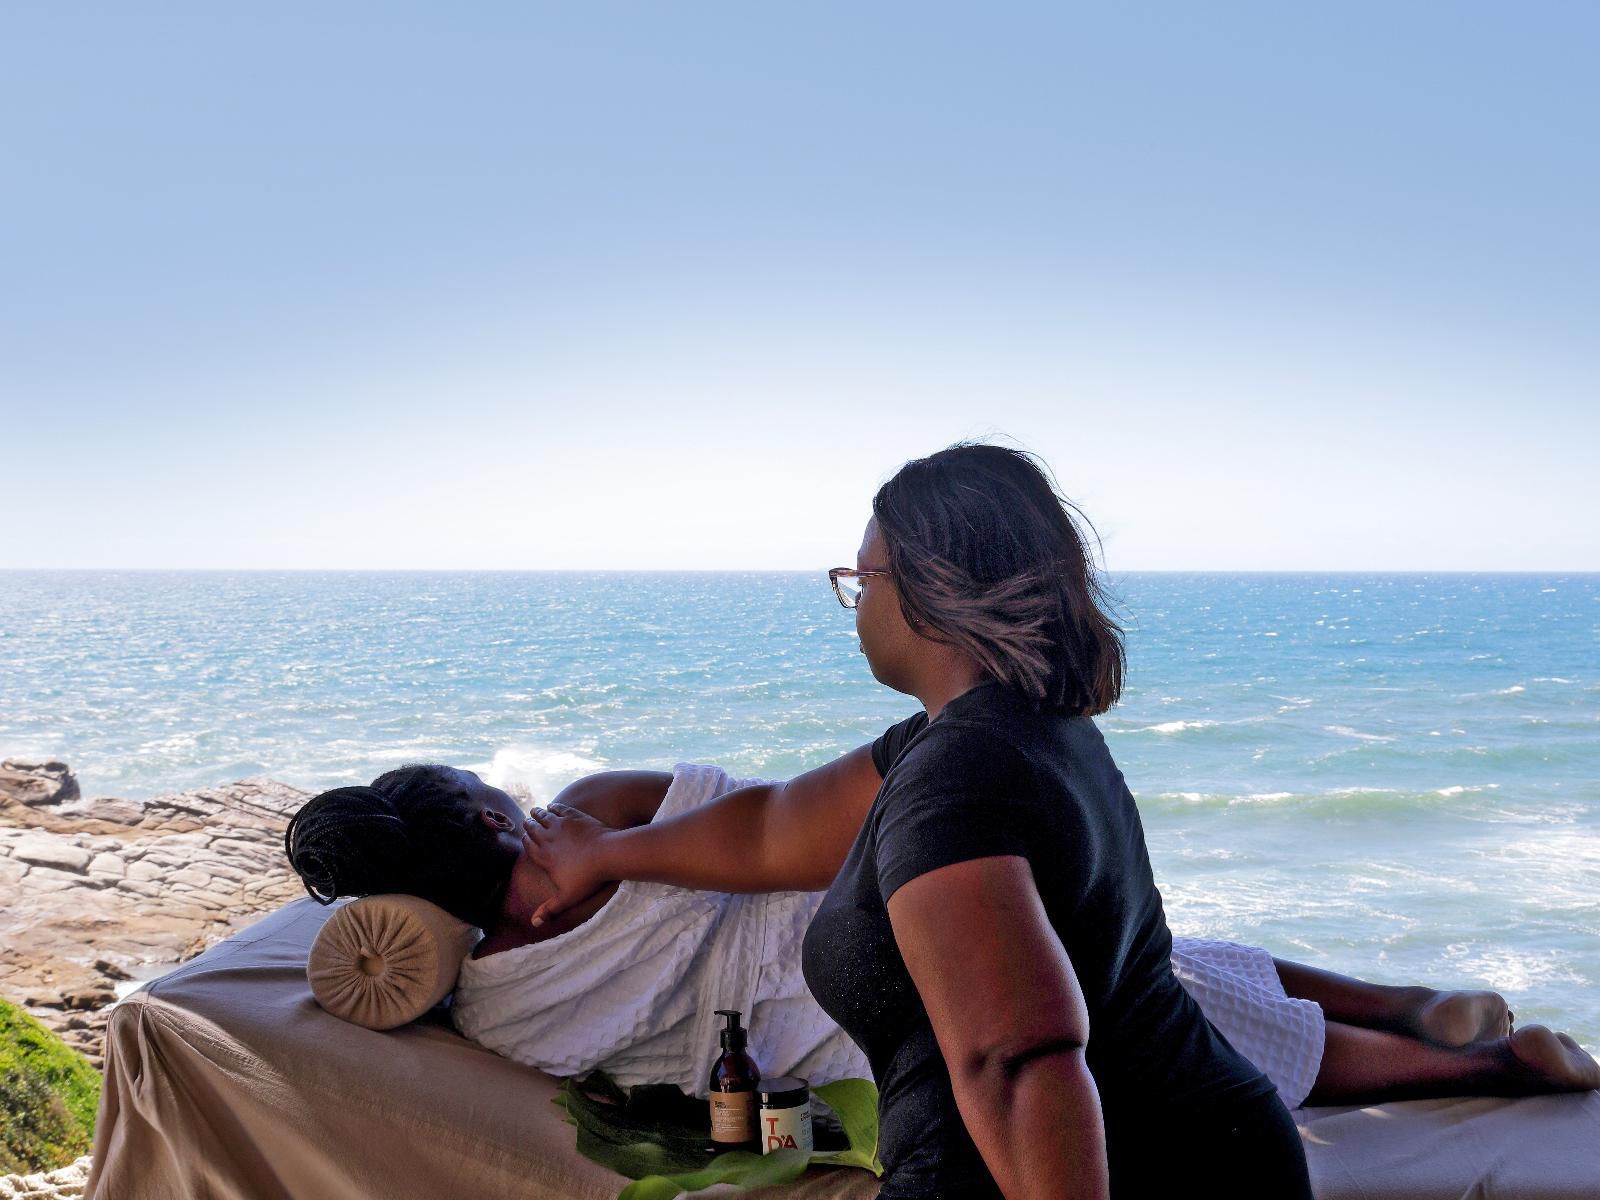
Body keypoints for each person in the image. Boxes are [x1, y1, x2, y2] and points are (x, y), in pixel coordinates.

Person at [284, 759, 1600, 1119]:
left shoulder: (518, 976)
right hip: (886, 960)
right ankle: (1427, 1016)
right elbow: (777, 830)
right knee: (1158, 979)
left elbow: (780, 840)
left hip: (870, 990)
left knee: (1168, 1008)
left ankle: (1469, 1060)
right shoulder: (596, 834)